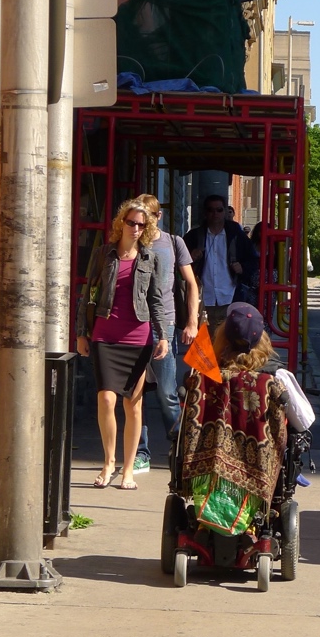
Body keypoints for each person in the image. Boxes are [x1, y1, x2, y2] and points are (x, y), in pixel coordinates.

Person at [76, 200, 170, 490]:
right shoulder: (104, 254)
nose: (136, 228)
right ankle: (108, 463)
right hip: (105, 335)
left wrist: (163, 334)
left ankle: (128, 469)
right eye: (131, 222)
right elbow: (88, 291)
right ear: (121, 223)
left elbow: (155, 299)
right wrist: (82, 332)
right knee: (106, 398)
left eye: (142, 224)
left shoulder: (150, 259)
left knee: (134, 405)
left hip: (137, 337)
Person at [180, 302, 288, 533]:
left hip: (207, 474)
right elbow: (302, 419)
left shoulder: (201, 378)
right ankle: (249, 521)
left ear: (222, 336)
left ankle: (206, 519)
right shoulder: (273, 378)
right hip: (256, 473)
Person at [131, 193, 200, 474]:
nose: (141, 223)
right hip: (134, 324)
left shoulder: (174, 243)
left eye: (146, 217)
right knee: (135, 394)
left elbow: (191, 284)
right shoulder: (133, 241)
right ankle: (140, 453)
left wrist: (193, 322)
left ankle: (182, 449)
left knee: (166, 392)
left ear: (157, 217)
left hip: (165, 325)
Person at [183, 194, 255, 330]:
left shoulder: (236, 236)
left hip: (231, 297)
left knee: (228, 345)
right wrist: (190, 257)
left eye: (219, 210)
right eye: (211, 210)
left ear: (225, 211)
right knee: (204, 346)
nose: (215, 214)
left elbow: (253, 260)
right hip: (202, 300)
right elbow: (178, 264)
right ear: (205, 213)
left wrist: (242, 268)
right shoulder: (194, 236)